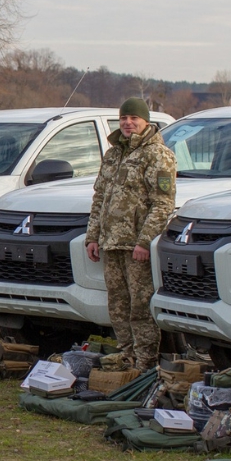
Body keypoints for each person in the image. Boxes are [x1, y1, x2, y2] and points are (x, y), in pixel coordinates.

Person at [85, 97, 176, 370]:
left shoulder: (157, 155)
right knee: (118, 304)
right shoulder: (113, 154)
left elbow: (162, 204)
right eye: (124, 118)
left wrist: (145, 241)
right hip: (111, 242)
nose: (128, 123)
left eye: (134, 118)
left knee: (140, 306)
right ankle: (126, 355)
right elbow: (100, 197)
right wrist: (92, 236)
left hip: (136, 245)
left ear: (146, 121)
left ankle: (146, 362)